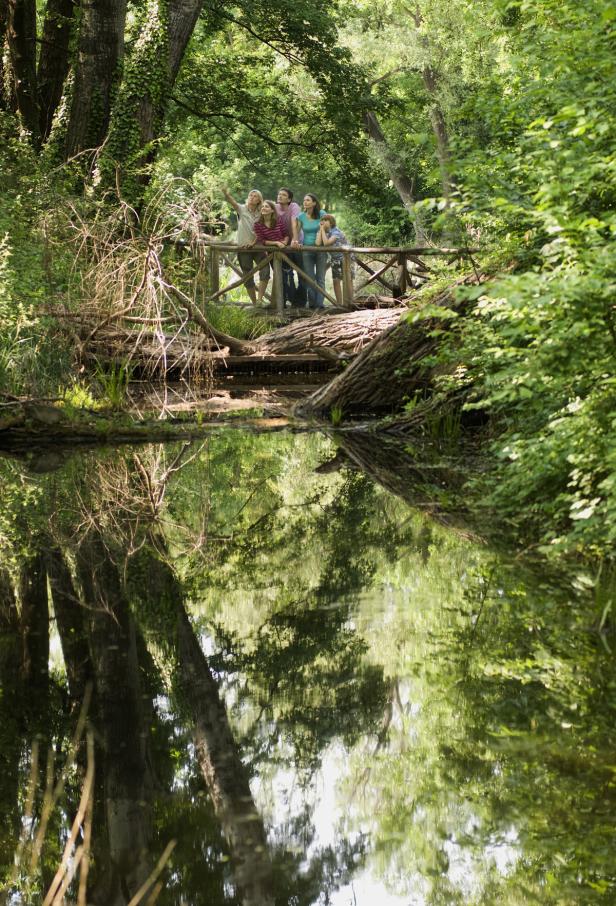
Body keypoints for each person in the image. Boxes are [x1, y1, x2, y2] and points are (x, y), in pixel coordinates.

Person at [222, 187, 267, 304]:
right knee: (248, 276)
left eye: (255, 196)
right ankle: (254, 303)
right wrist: (226, 193)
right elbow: (232, 202)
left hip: (258, 247)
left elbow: (264, 229)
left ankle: (260, 300)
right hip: (243, 248)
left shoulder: (262, 212)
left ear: (259, 200)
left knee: (265, 270)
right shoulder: (242, 209)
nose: (252, 197)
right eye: (250, 195)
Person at [291, 194, 327, 309]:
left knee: (320, 278)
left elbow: (328, 229)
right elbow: (296, 231)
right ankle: (312, 305)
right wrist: (295, 242)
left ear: (314, 203)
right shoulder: (301, 216)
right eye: (304, 200)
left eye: (308, 200)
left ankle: (320, 304)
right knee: (310, 278)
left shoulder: (322, 214)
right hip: (306, 249)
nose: (305, 202)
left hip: (321, 249)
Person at [253, 200, 289, 306]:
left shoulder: (279, 221)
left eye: (267, 206)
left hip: (284, 252)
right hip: (271, 254)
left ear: (272, 210)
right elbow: (262, 241)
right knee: (277, 275)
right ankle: (275, 302)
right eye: (263, 206)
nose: (263, 208)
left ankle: (282, 302)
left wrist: (285, 242)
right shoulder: (258, 224)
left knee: (285, 276)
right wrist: (276, 243)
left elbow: (286, 234)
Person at [316, 214, 352, 307]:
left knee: (348, 280)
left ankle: (350, 303)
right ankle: (339, 304)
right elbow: (318, 243)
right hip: (335, 259)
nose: (323, 222)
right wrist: (321, 230)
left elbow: (327, 243)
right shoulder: (325, 232)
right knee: (336, 281)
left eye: (326, 220)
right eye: (322, 220)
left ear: (331, 222)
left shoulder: (336, 231)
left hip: (346, 259)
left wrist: (322, 230)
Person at [275, 188, 302, 306]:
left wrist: (294, 240)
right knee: (285, 273)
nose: (280, 196)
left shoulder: (294, 206)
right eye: (279, 194)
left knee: (302, 272)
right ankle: (286, 300)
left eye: (283, 195)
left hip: (297, 243)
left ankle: (301, 301)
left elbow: (294, 222)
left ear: (289, 199)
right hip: (283, 244)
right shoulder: (275, 207)